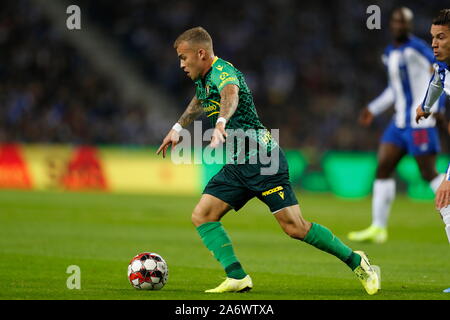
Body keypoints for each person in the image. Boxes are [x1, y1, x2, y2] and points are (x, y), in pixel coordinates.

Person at [157, 26, 380, 294]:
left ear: (201, 53)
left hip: (264, 159)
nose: (181, 64)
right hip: (239, 163)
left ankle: (358, 261)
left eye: (184, 57)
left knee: (295, 228)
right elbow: (200, 100)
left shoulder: (223, 72)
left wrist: (221, 122)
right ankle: (237, 276)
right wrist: (178, 129)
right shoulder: (204, 79)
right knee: (203, 215)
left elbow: (230, 94)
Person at [348, 7, 446, 244]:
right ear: (391, 25)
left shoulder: (419, 49)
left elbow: (440, 75)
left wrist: (436, 108)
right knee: (383, 168)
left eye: (405, 22)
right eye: (396, 22)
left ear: (410, 26)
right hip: (399, 122)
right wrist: (373, 108)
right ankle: (378, 228)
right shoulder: (390, 52)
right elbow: (395, 89)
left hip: (420, 122)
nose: (400, 26)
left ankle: (448, 202)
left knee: (427, 172)